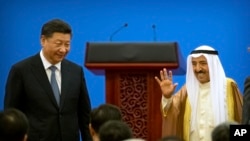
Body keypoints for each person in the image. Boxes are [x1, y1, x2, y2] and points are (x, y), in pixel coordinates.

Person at [4, 19, 92, 141]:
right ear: (43, 40)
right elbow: (12, 115)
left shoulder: (75, 71)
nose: (63, 50)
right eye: (58, 43)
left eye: (67, 44)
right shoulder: (21, 70)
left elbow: (84, 114)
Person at [154, 45, 243, 141]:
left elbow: (242, 117)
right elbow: (172, 113)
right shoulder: (187, 90)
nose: (197, 69)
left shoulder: (229, 86)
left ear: (213, 65)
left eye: (203, 63)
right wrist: (167, 97)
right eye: (194, 64)